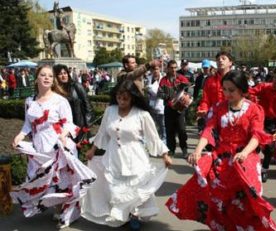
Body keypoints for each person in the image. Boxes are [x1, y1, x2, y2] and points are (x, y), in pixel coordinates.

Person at [166, 70, 276, 231]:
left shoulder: (254, 109)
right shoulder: (218, 107)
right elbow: (209, 130)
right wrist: (197, 150)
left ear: (242, 89)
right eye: (224, 89)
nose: (227, 93)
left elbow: (256, 135)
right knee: (219, 200)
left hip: (245, 159)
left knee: (247, 201)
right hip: (222, 160)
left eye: (231, 90)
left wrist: (244, 153)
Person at [10, 65, 96, 229]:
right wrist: (20, 136)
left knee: (62, 178)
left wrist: (64, 136)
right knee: (45, 178)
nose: (47, 78)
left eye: (50, 75)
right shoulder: (29, 101)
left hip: (58, 144)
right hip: (40, 146)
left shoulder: (60, 100)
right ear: (37, 78)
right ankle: (54, 206)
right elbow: (28, 125)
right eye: (43, 75)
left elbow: (69, 123)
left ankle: (65, 211)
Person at [82, 79, 172, 230]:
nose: (121, 100)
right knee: (114, 187)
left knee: (135, 187)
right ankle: (121, 215)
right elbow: (102, 132)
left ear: (133, 97)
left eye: (125, 98)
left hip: (134, 156)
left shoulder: (142, 115)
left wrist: (165, 155)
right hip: (113, 156)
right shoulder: (109, 111)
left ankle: (134, 214)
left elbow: (153, 138)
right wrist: (92, 150)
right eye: (119, 97)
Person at [248, 72, 276, 182]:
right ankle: (251, 167)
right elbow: (250, 91)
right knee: (254, 143)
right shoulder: (265, 87)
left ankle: (264, 169)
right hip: (260, 118)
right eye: (273, 82)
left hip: (273, 123)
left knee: (269, 148)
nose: (273, 85)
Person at [53, 64, 94, 143]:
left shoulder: (76, 86)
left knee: (77, 147)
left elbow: (88, 105)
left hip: (78, 122)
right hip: (63, 124)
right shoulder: (55, 91)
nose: (64, 76)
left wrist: (88, 124)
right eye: (60, 74)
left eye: (65, 73)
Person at [158, 60, 190, 157]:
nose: (173, 69)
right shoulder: (163, 80)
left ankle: (184, 149)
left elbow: (190, 88)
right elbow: (159, 94)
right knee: (169, 130)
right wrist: (169, 97)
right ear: (167, 68)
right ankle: (171, 150)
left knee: (181, 130)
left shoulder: (181, 78)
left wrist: (187, 95)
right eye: (171, 67)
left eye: (175, 67)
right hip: (168, 108)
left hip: (180, 108)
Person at [146, 65, 166, 142]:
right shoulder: (148, 79)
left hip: (161, 105)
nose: (155, 71)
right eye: (153, 69)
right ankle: (154, 142)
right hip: (151, 105)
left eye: (157, 69)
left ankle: (164, 143)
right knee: (152, 125)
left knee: (163, 126)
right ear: (151, 70)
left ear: (159, 69)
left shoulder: (163, 78)